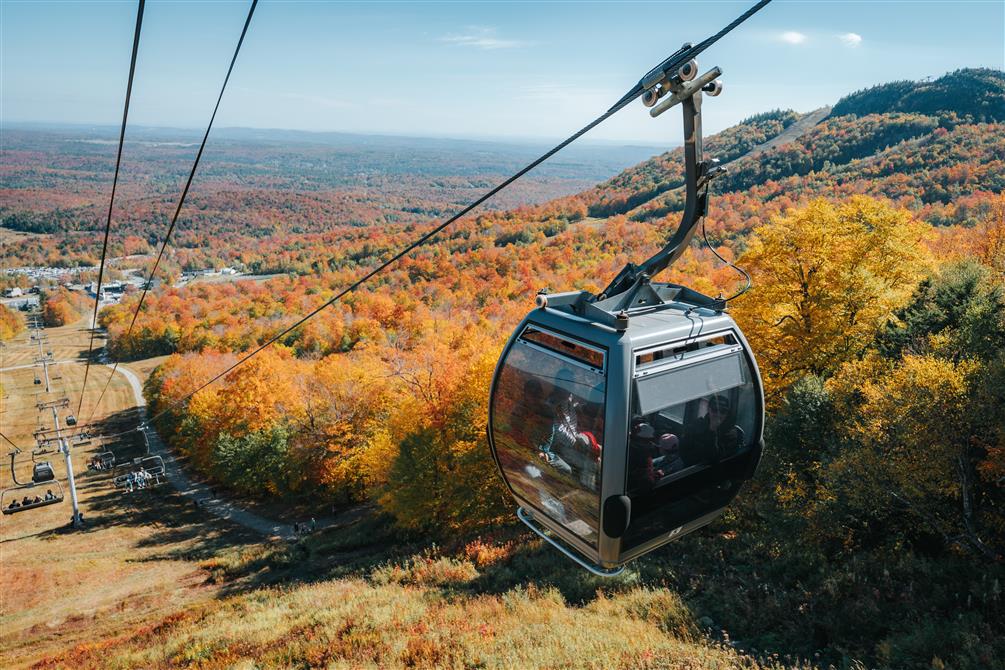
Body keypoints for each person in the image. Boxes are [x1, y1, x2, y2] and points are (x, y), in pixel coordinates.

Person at [680, 394, 744, 467]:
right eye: (715, 410)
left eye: (723, 411)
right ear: (709, 409)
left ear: (727, 413)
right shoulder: (695, 427)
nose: (718, 414)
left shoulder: (732, 434)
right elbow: (684, 453)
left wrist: (712, 430)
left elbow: (714, 459)